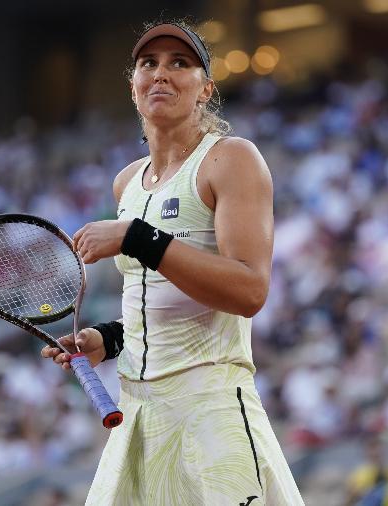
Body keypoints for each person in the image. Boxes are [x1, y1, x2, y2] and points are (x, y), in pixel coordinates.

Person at [40, 20, 304, 505]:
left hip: (212, 408)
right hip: (140, 414)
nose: (161, 73)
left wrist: (137, 237)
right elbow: (166, 297)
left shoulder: (231, 159)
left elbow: (249, 291)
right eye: (149, 64)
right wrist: (108, 339)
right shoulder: (127, 183)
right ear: (133, 87)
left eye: (179, 63)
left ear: (206, 89)